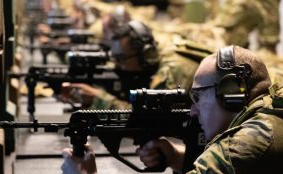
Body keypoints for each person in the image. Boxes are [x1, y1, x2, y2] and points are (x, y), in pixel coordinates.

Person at [62, 45, 283, 174]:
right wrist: (179, 159)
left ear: (231, 93)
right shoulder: (273, 114)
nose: (192, 109)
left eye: (198, 96)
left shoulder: (253, 140)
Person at [69, 20, 201, 110]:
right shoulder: (154, 52)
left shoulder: (173, 71)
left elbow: (151, 121)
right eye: (114, 57)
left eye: (121, 58)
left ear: (146, 54)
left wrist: (99, 99)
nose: (116, 65)